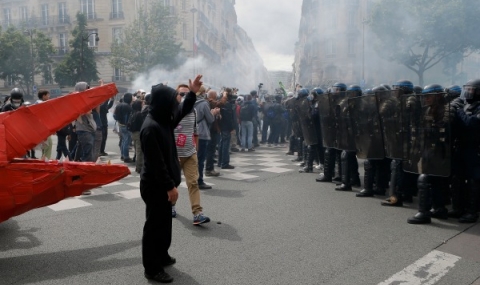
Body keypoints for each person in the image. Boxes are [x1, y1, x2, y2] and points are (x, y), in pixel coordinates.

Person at [140, 75, 203, 283]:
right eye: (174, 99)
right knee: (154, 226)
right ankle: (152, 268)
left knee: (165, 223)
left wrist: (192, 93)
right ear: (164, 103)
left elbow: (183, 110)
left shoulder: (163, 118)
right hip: (156, 186)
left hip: (164, 185)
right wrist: (170, 187)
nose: (177, 102)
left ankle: (162, 255)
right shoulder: (151, 128)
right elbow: (156, 164)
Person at [172, 84, 211, 224]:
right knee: (173, 184)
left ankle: (197, 213)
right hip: (174, 155)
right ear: (175, 96)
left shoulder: (193, 111)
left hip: (190, 154)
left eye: (187, 94)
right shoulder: (171, 111)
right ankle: (171, 205)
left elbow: (195, 132)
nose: (184, 97)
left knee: (193, 183)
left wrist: (196, 149)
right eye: (181, 94)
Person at [194, 86, 220, 189]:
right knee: (200, 159)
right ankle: (199, 181)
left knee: (193, 158)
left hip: (190, 131)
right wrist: (213, 113)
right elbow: (210, 119)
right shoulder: (204, 104)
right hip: (201, 132)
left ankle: (192, 179)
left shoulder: (188, 102)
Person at [114, 93, 133, 163]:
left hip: (120, 124)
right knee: (126, 141)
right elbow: (130, 117)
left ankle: (122, 155)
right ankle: (126, 156)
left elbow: (114, 115)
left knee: (123, 140)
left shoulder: (119, 105)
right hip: (126, 125)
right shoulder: (128, 107)